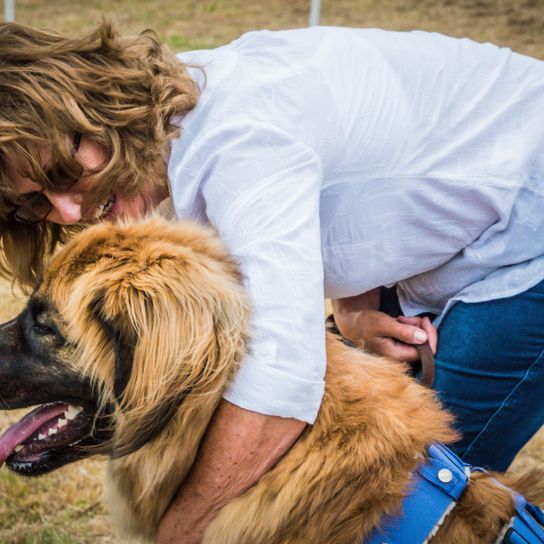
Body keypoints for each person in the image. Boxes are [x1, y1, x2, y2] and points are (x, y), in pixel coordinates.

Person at [0, 21, 543, 543]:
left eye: (63, 173)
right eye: (35, 204)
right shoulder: (159, 130)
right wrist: (356, 305)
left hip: (527, 231)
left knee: (408, 494)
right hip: (469, 229)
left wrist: (186, 530)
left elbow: (283, 378)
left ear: (91, 105)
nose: (69, 211)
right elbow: (341, 187)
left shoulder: (240, 141)